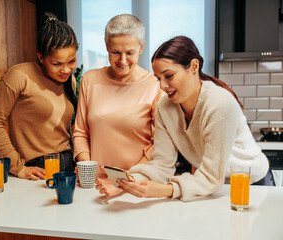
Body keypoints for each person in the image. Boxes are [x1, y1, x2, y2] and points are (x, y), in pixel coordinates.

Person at [97, 36, 271, 201]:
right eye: (158, 79)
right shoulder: (165, 106)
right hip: (208, 188)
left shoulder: (219, 103)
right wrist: (126, 183)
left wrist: (165, 190)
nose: (163, 86)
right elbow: (162, 164)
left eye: (169, 76)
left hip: (252, 185)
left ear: (194, 66)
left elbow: (211, 177)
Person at [0, 12, 78, 180]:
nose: (65, 70)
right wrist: (18, 167)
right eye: (57, 64)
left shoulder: (70, 81)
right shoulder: (19, 76)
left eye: (71, 61)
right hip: (36, 168)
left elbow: (65, 130)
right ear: (41, 57)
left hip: (67, 164)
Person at [73, 14, 162, 178]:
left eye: (130, 52)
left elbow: (158, 144)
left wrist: (126, 179)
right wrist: (87, 169)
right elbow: (80, 133)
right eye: (115, 52)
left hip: (137, 184)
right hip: (94, 184)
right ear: (106, 46)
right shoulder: (90, 80)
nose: (122, 60)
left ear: (141, 47)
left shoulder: (155, 85)